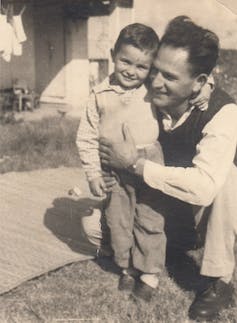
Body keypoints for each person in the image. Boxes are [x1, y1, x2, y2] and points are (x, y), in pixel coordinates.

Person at [98, 17, 237, 321]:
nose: (155, 82)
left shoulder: (223, 113)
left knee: (226, 179)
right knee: (91, 230)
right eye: (155, 70)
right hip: (155, 209)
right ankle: (151, 250)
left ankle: (219, 280)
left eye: (170, 77)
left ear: (200, 81)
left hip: (200, 213)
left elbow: (203, 187)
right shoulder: (147, 92)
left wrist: (135, 164)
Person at [77, 22, 213, 302]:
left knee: (150, 218)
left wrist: (207, 86)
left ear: (149, 68)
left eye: (141, 67)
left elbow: (185, 91)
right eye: (125, 61)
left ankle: (149, 272)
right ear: (113, 54)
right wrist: (93, 174)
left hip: (149, 162)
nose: (131, 71)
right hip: (114, 168)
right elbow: (87, 137)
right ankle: (127, 268)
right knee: (119, 220)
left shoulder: (150, 90)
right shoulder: (98, 95)